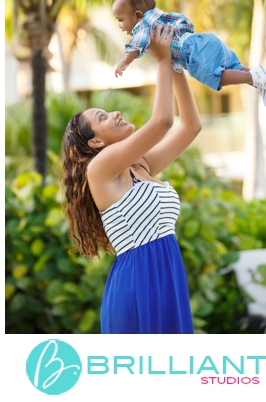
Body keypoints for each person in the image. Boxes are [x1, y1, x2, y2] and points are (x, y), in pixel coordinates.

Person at [61, 24, 200, 334]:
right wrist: (161, 61)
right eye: (102, 118)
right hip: (138, 283)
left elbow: (190, 127)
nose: (115, 114)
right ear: (95, 143)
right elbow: (163, 121)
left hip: (167, 280)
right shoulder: (100, 170)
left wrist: (175, 60)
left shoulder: (141, 166)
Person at [112, 0, 266, 108]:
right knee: (234, 68)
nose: (119, 25)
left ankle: (255, 77)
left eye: (120, 20)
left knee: (216, 78)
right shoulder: (157, 16)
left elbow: (137, 44)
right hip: (202, 41)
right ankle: (259, 80)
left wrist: (125, 61)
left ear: (137, 15)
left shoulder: (143, 24)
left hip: (193, 52)